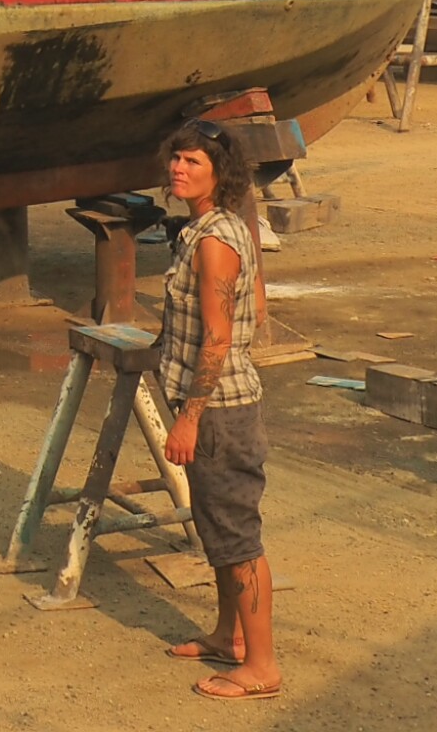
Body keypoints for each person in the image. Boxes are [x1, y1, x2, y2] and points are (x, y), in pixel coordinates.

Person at [156, 118, 281, 702]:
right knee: (219, 531)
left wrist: (188, 417)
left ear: (218, 174)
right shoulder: (217, 228)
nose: (178, 169)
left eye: (193, 162)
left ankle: (261, 667)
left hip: (220, 413)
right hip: (220, 408)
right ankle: (228, 638)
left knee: (238, 540)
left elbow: (218, 338)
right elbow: (257, 306)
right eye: (177, 159)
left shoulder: (214, 242)